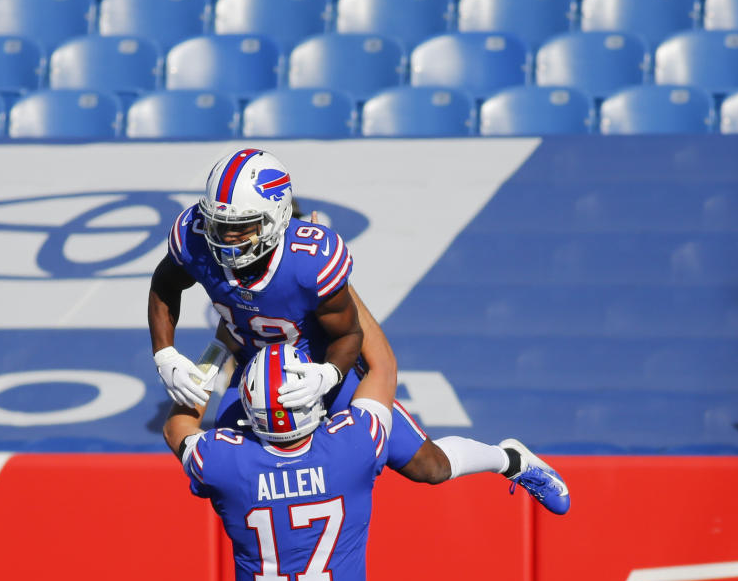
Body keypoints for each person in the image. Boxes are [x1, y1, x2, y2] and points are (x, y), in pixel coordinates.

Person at [149, 147, 570, 514]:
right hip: (255, 375)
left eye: (242, 226)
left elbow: (350, 337)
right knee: (229, 482)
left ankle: (509, 459)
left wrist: (329, 375)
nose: (226, 238)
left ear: (276, 217)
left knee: (430, 468)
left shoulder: (308, 261)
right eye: (220, 225)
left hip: (322, 365)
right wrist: (165, 353)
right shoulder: (196, 239)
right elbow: (168, 285)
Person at [163, 342, 396, 581]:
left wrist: (218, 347)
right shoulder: (353, 444)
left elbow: (176, 428)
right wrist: (342, 300)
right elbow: (382, 367)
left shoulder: (224, 459)